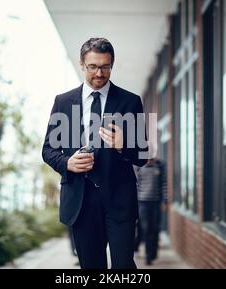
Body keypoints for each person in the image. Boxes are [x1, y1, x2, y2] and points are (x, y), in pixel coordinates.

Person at [42, 38, 148, 269]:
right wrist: (67, 162)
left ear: (112, 64)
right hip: (81, 201)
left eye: (105, 66)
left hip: (119, 200)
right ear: (82, 64)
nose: (99, 73)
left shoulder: (130, 102)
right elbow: (48, 150)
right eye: (93, 67)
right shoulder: (63, 102)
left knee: (123, 267)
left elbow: (142, 154)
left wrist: (124, 145)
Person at [134, 158, 167, 265]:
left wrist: (165, 201)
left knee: (155, 228)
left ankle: (153, 253)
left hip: (156, 202)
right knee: (146, 229)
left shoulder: (159, 166)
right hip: (143, 203)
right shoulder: (139, 167)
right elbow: (136, 185)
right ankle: (148, 256)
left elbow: (164, 185)